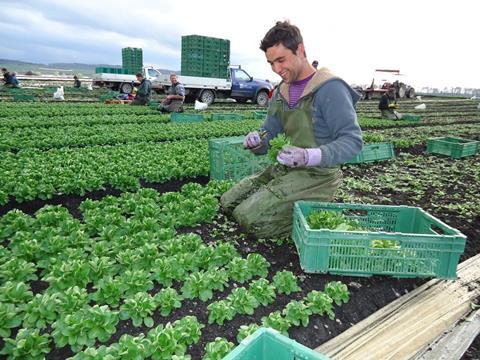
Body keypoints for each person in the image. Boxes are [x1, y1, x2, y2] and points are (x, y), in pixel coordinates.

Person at [220, 20, 363, 239]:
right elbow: (269, 132)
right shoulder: (281, 91)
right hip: (285, 169)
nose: (276, 69)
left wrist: (308, 156)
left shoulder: (330, 88)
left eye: (281, 60)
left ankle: (314, 211)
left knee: (252, 220)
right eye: (271, 63)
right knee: (229, 203)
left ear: (300, 50)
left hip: (318, 176)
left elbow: (352, 141)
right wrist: (258, 140)